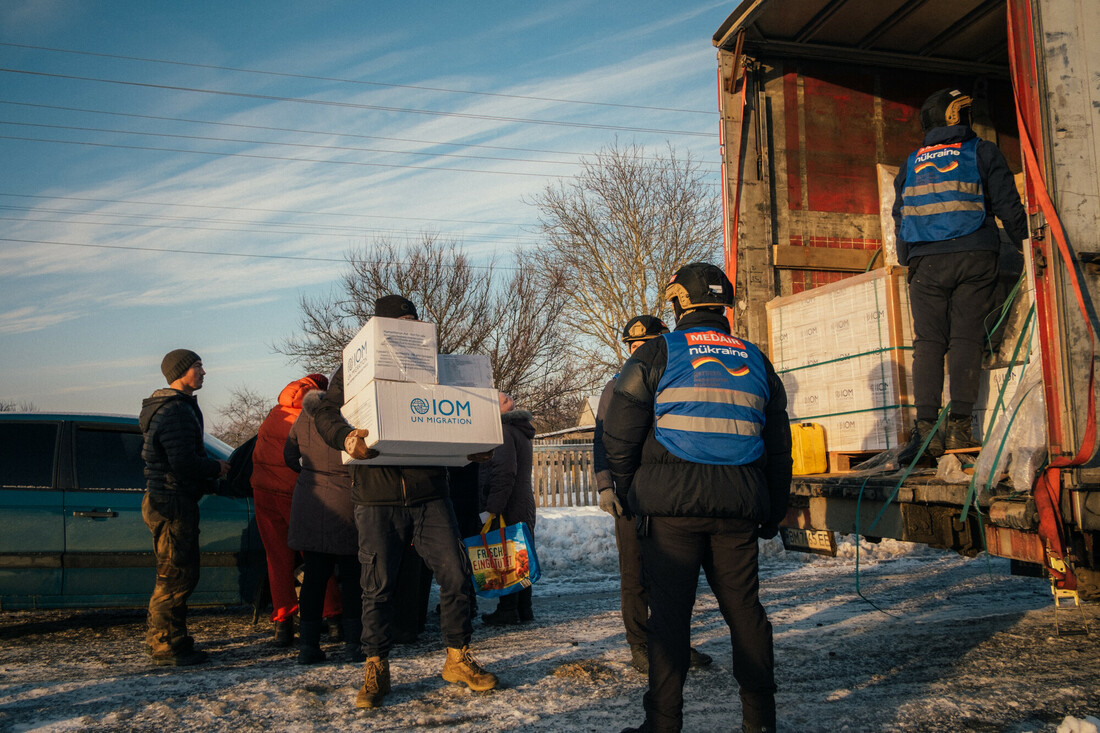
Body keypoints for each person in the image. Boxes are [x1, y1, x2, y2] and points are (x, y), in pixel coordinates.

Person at [603, 263, 792, 733]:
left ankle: (663, 724)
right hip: (738, 507)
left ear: (679, 303)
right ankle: (760, 723)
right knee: (745, 611)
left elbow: (619, 436)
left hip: (670, 511)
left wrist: (630, 493)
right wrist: (771, 508)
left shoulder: (656, 354)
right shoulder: (756, 359)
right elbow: (778, 446)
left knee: (669, 617)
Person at [311, 294, 499, 709]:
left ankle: (457, 657)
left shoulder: (434, 366)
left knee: (456, 573)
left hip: (430, 492)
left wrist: (476, 444)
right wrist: (345, 438)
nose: (410, 327)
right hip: (376, 497)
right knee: (377, 586)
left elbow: (456, 414)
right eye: (401, 321)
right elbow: (325, 413)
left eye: (415, 320)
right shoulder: (354, 369)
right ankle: (376, 665)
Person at [893, 87, 1028, 463]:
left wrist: (909, 257)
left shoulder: (912, 162)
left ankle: (925, 434)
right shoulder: (981, 151)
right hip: (975, 256)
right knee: (967, 339)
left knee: (929, 344)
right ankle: (960, 428)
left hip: (926, 263)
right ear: (955, 118)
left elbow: (900, 214)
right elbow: (1007, 205)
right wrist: (1027, 246)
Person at [593, 315, 713, 674]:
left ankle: (674, 642)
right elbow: (602, 439)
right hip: (629, 494)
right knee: (635, 573)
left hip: (671, 492)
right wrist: (604, 485)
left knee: (675, 574)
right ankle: (641, 645)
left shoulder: (679, 382)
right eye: (632, 346)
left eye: (645, 344)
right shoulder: (615, 387)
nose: (638, 351)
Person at [139, 349, 230, 666]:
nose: (204, 372)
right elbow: (182, 462)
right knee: (176, 576)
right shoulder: (175, 411)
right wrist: (215, 468)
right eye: (198, 366)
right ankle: (167, 646)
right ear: (181, 372)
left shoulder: (175, 408)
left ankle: (168, 640)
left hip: (168, 498)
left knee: (175, 573)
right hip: (171, 502)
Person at [251, 372, 338, 647]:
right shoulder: (314, 414)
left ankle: (282, 627)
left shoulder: (275, 412)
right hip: (295, 493)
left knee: (277, 560)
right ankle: (334, 618)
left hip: (263, 493)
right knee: (316, 556)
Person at [285, 385, 364, 664]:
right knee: (354, 578)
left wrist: (310, 473)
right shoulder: (349, 416)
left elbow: (288, 456)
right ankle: (354, 644)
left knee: (314, 578)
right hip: (346, 501)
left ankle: (308, 646)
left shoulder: (303, 418)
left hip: (311, 500)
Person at [479, 392, 536, 626]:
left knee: (508, 556)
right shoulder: (520, 431)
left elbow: (504, 473)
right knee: (521, 556)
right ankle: (524, 609)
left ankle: (508, 610)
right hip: (522, 501)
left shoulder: (503, 431)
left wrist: (491, 509)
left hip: (509, 505)